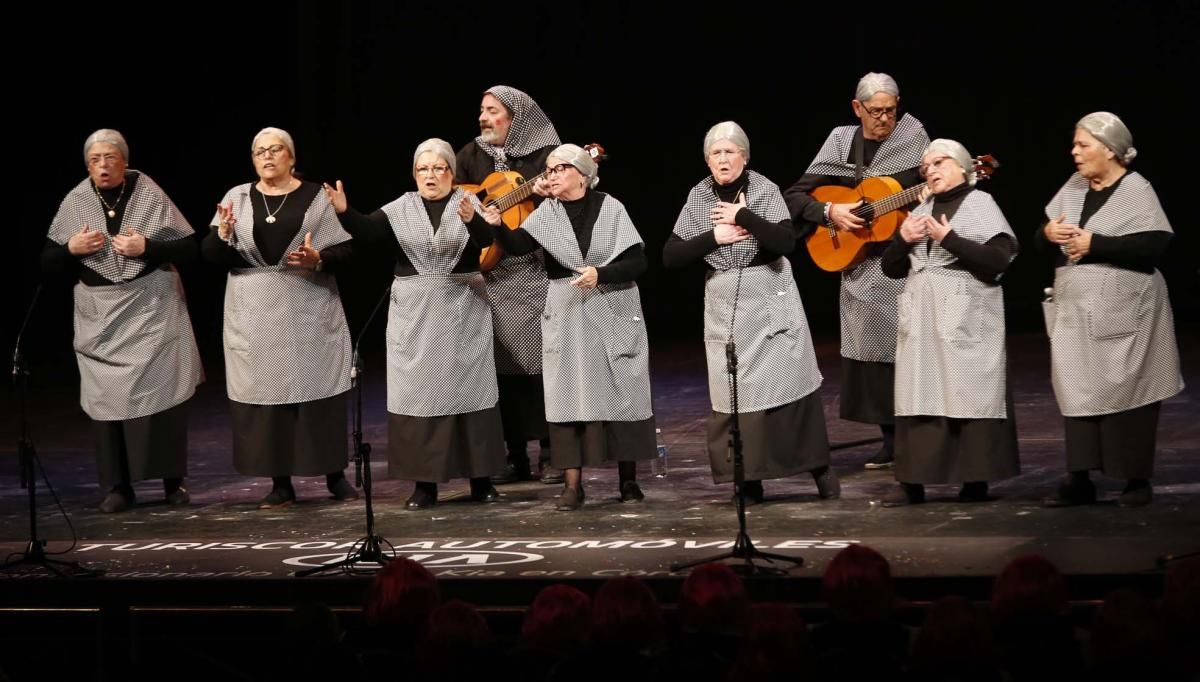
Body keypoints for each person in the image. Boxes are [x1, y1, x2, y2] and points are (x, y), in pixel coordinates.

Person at [323, 138, 506, 509]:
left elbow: (489, 240)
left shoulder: (469, 203)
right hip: (416, 313)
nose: (431, 176)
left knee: (470, 393)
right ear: (414, 174)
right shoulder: (400, 207)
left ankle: (481, 480)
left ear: (452, 174)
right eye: (423, 169)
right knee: (421, 396)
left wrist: (474, 222)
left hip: (462, 309)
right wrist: (345, 211)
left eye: (439, 168)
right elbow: (369, 231)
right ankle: (425, 485)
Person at [665, 121, 836, 505]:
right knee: (735, 396)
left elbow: (784, 241)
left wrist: (743, 217)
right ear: (707, 160)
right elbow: (671, 255)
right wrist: (714, 237)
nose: (723, 159)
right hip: (726, 304)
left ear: (744, 156)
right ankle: (749, 479)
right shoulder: (699, 197)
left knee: (789, 387)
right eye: (715, 153)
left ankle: (818, 469)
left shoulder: (763, 189)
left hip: (769, 295)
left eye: (730, 151)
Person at [42, 128, 203, 513]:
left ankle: (172, 482)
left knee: (162, 397)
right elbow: (46, 262)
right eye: (95, 160)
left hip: (151, 310)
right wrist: (71, 249)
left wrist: (147, 246)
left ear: (124, 161)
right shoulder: (77, 200)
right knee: (105, 403)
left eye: (110, 158)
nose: (102, 166)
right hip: (100, 317)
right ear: (87, 166)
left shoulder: (148, 193)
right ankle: (119, 486)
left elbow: (190, 248)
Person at [488, 143, 655, 511]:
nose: (551, 176)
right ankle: (572, 486)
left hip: (611, 303)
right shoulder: (547, 212)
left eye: (558, 169)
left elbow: (637, 261)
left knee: (622, 392)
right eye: (548, 170)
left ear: (582, 174)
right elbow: (517, 245)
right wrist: (496, 226)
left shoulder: (611, 208)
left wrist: (602, 273)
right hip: (567, 309)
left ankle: (628, 481)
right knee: (568, 395)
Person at [202, 126, 357, 509]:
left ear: (290, 156)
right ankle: (281, 483)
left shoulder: (315, 196)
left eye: (275, 150)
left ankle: (334, 476)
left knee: (318, 395)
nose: (267, 157)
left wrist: (319, 258)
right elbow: (208, 254)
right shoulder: (236, 198)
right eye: (259, 152)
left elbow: (347, 251)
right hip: (255, 314)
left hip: (308, 309)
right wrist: (221, 235)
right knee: (269, 401)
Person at [784, 72, 929, 470]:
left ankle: (916, 436)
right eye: (876, 112)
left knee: (908, 351)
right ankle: (888, 438)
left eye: (890, 111)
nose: (884, 119)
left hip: (900, 262)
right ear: (856, 108)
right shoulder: (841, 141)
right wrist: (832, 211)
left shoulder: (914, 136)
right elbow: (796, 196)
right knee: (872, 357)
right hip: (858, 268)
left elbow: (929, 183)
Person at [1039, 112, 1183, 508]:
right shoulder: (1074, 186)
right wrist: (1048, 233)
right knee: (1076, 391)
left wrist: (1095, 245)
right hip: (1076, 312)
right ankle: (1079, 478)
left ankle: (1135, 481)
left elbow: (1155, 245)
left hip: (1127, 312)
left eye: (1083, 145)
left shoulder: (1136, 189)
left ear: (1110, 150)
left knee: (1131, 394)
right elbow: (1042, 235)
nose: (1075, 152)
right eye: (1075, 144)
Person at [878, 139, 1020, 506]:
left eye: (940, 162)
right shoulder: (920, 208)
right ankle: (912, 481)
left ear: (962, 167)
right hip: (922, 314)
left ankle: (975, 480)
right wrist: (901, 241)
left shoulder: (979, 204)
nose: (932, 169)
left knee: (966, 392)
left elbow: (998, 260)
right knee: (917, 393)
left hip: (965, 311)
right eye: (927, 166)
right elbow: (890, 269)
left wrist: (950, 239)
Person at [456, 85, 563, 485]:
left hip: (532, 271)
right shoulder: (470, 156)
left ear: (516, 117)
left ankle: (552, 451)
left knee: (541, 362)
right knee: (500, 368)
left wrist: (540, 195)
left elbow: (569, 197)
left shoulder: (543, 157)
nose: (483, 118)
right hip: (491, 275)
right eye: (481, 110)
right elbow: (458, 202)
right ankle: (513, 453)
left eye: (492, 111)